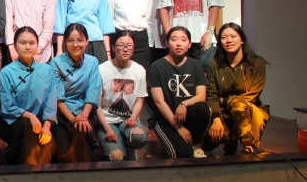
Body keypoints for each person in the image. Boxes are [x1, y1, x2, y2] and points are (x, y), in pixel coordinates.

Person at [204, 23, 269, 155]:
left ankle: (247, 147)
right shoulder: (214, 64)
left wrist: (225, 100)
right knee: (213, 139)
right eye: (224, 38)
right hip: (223, 111)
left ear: (242, 39)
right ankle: (230, 141)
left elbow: (253, 94)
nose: (229, 40)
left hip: (250, 110)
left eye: (233, 36)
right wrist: (216, 119)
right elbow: (211, 95)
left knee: (236, 103)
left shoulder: (258, 63)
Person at [0, 26, 59, 165]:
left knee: (50, 136)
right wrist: (30, 116)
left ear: (37, 46)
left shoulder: (47, 70)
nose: (27, 47)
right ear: (15, 46)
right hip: (14, 122)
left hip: (42, 121)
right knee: (25, 126)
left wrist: (47, 126)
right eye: (23, 43)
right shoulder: (6, 72)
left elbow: (51, 102)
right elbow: (7, 106)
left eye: (31, 43)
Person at [148, 26, 211, 159]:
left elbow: (201, 96)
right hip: (167, 120)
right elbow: (159, 102)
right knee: (182, 155)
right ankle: (165, 140)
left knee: (203, 108)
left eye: (183, 40)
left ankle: (196, 144)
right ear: (167, 43)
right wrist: (178, 128)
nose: (178, 43)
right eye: (174, 39)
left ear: (189, 44)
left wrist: (184, 104)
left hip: (188, 116)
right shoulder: (157, 66)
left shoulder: (195, 64)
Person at [95, 31, 149, 161]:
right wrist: (107, 129)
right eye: (121, 45)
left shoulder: (139, 70)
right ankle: (114, 148)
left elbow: (140, 99)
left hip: (127, 120)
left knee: (139, 138)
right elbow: (97, 105)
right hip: (107, 121)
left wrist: (134, 117)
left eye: (129, 45)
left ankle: (129, 148)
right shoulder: (102, 70)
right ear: (113, 47)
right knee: (117, 157)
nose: (125, 49)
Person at [50, 23, 101, 163]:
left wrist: (83, 117)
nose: (75, 45)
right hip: (62, 113)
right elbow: (58, 97)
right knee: (63, 150)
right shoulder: (56, 63)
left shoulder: (92, 62)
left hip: (84, 111)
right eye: (71, 41)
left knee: (83, 132)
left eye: (80, 40)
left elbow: (93, 92)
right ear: (65, 42)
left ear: (87, 41)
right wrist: (73, 119)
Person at [107, 0, 153, 70]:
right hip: (120, 37)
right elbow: (109, 20)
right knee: (119, 74)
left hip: (140, 39)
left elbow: (147, 18)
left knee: (141, 72)